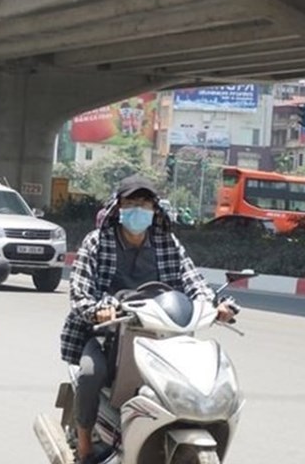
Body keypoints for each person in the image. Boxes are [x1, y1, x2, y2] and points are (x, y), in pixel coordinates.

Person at [60, 174, 237, 464]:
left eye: (144, 203)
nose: (137, 209)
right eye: (131, 202)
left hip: (164, 333)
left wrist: (216, 306)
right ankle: (84, 449)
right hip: (110, 332)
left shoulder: (167, 243)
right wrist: (97, 309)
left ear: (155, 209)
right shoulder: (97, 242)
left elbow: (193, 281)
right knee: (91, 374)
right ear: (118, 208)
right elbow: (79, 292)